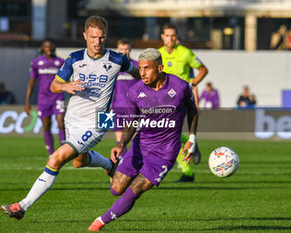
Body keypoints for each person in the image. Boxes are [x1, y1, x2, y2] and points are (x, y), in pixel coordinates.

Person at [0, 15, 140, 220]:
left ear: (105, 36)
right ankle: (110, 166)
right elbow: (54, 86)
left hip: (100, 120)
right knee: (79, 161)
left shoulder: (117, 59)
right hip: (73, 118)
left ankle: (21, 206)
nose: (97, 42)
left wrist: (152, 91)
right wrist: (67, 86)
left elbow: (140, 74)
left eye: (101, 37)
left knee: (55, 159)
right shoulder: (74, 59)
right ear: (85, 36)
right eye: (93, 37)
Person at [88, 48, 199, 231]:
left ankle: (100, 222)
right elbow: (132, 123)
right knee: (116, 189)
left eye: (147, 68)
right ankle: (113, 169)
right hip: (140, 147)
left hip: (164, 154)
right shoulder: (135, 91)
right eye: (140, 68)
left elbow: (193, 111)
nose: (142, 73)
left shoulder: (180, 86)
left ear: (160, 68)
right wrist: (120, 144)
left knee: (135, 190)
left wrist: (192, 138)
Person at [158, 23, 208, 182]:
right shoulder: (158, 54)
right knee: (170, 135)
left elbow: (203, 69)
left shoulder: (185, 53)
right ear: (162, 37)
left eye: (173, 35)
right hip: (162, 102)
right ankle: (191, 144)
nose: (170, 38)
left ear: (176, 37)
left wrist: (192, 85)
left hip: (180, 101)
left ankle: (187, 172)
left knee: (169, 135)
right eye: (167, 35)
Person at [25, 39, 66, 156]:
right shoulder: (36, 62)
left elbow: (67, 80)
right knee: (47, 126)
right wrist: (27, 103)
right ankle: (51, 154)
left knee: (61, 122)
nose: (49, 48)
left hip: (58, 97)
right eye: (46, 46)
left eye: (51, 46)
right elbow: (32, 83)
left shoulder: (61, 62)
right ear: (42, 48)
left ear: (54, 48)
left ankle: (64, 152)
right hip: (43, 99)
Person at [111, 38, 139, 157]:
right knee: (119, 141)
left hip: (133, 108)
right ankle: (122, 167)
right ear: (117, 50)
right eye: (122, 49)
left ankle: (133, 166)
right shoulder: (112, 67)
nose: (124, 51)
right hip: (117, 107)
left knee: (133, 140)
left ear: (130, 49)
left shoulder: (137, 66)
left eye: (126, 49)